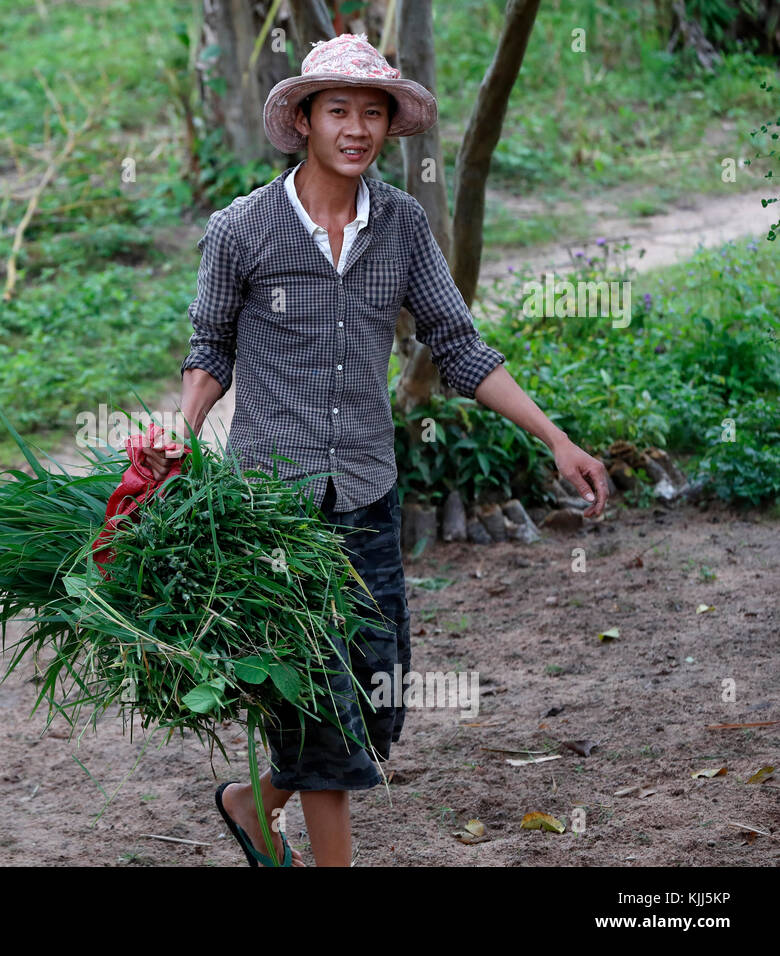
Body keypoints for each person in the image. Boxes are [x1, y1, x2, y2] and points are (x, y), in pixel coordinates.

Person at [141, 33, 609, 867]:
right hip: (273, 508)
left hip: (365, 492)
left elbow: (459, 349)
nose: (355, 128)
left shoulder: (400, 225)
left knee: (372, 695)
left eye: (371, 113)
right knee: (321, 707)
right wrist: (183, 422)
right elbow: (210, 346)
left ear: (389, 128)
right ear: (305, 120)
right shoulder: (243, 227)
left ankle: (253, 804)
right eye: (338, 111)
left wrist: (557, 440)